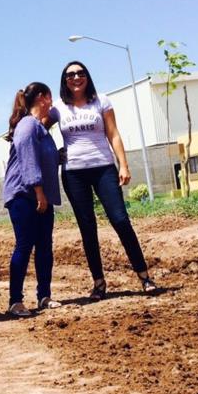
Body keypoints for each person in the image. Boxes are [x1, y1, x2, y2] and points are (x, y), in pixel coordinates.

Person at [55, 61, 158, 299]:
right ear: (65, 80)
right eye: (70, 75)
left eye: (80, 73)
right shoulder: (58, 108)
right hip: (73, 173)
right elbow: (38, 128)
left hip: (103, 168)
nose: (76, 77)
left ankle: (144, 276)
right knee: (87, 227)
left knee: (120, 220)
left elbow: (113, 133)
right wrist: (54, 152)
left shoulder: (101, 101)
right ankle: (99, 283)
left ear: (87, 77)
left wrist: (123, 164)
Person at [2, 82, 62, 317]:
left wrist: (58, 157)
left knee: (45, 246)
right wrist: (38, 192)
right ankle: (15, 301)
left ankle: (44, 296)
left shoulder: (39, 127)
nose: (52, 103)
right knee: (25, 245)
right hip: (24, 195)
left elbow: (42, 157)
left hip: (38, 194)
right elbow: (28, 160)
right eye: (50, 98)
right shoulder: (27, 125)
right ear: (42, 97)